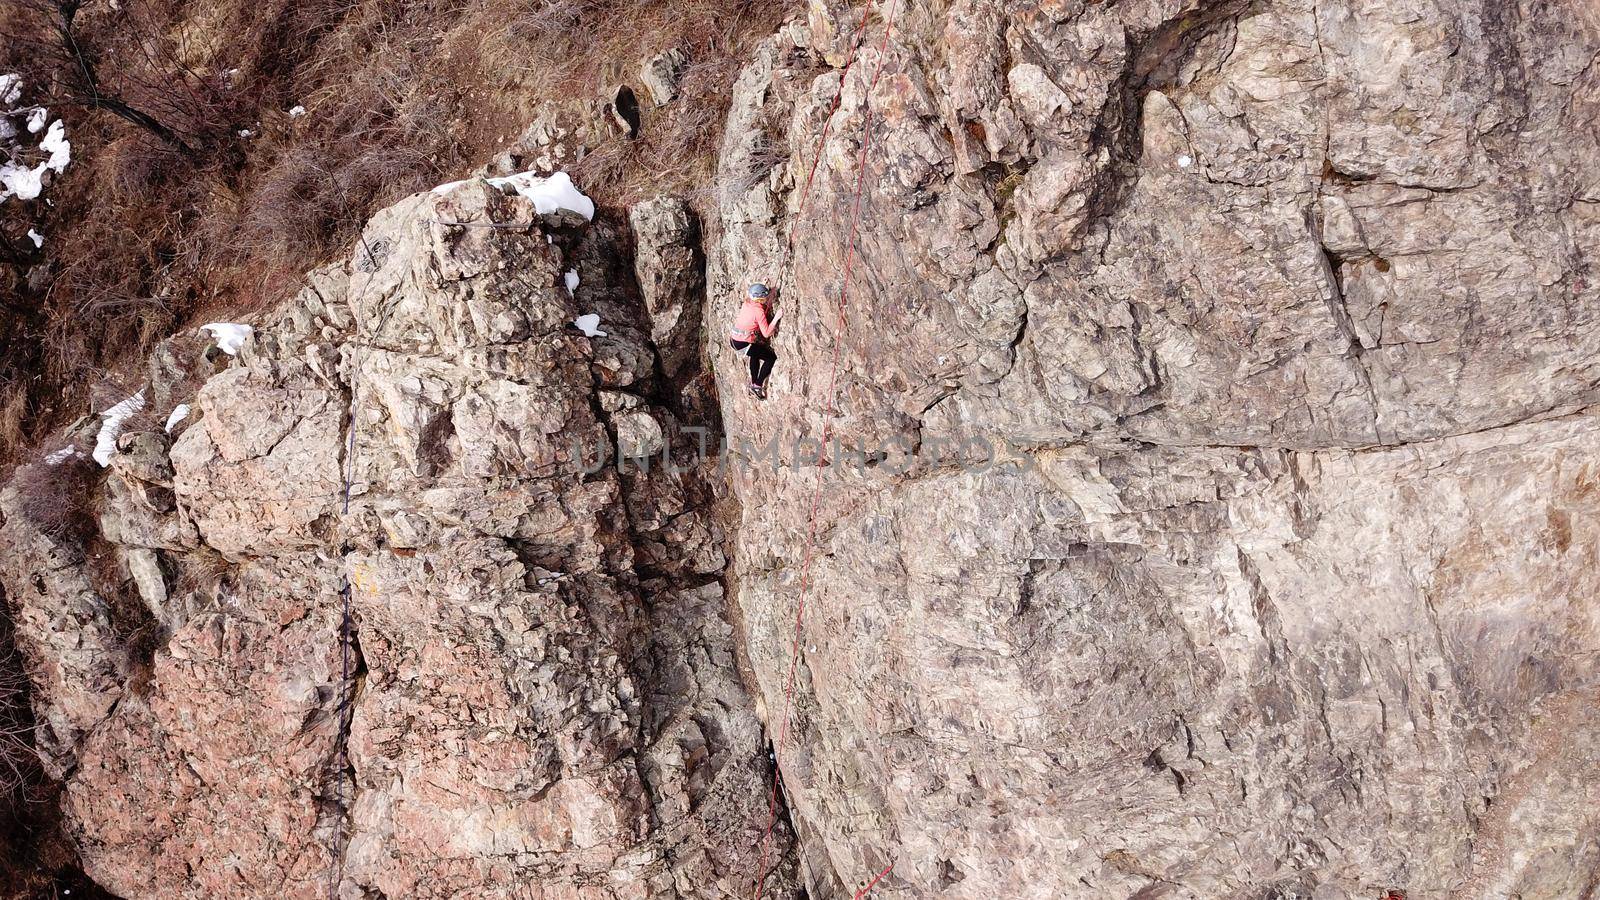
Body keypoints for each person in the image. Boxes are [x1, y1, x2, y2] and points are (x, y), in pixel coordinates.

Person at [730, 282, 781, 399]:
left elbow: (758, 300)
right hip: (742, 343)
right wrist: (776, 317)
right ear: (760, 298)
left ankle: (753, 382)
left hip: (735, 340)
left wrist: (767, 290)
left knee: (755, 353)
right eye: (765, 297)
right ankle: (757, 385)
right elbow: (767, 333)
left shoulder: (747, 303)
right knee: (770, 358)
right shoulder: (758, 311)